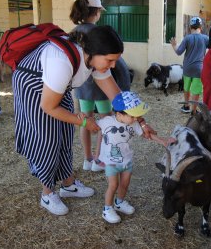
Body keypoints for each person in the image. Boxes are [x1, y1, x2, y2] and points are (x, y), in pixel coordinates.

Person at [12, 25, 153, 216]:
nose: (112, 66)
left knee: (65, 133)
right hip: (33, 87)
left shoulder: (93, 61)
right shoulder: (61, 62)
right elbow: (48, 106)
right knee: (48, 139)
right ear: (93, 53)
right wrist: (85, 122)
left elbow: (118, 99)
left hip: (57, 86)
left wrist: (141, 122)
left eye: (115, 61)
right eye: (110, 60)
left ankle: (68, 185)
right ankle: (47, 193)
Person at [70, 0, 131, 172]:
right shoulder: (99, 33)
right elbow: (117, 63)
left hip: (82, 87)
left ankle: (87, 159)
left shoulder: (73, 32)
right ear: (96, 12)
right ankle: (98, 159)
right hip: (100, 87)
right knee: (106, 121)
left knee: (85, 120)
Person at [97, 91, 173, 223]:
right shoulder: (106, 122)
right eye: (133, 116)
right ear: (120, 114)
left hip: (127, 160)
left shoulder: (133, 123)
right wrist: (97, 152)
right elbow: (94, 127)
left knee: (125, 184)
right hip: (111, 162)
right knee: (113, 185)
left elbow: (146, 134)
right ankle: (107, 209)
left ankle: (119, 202)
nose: (136, 119)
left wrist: (163, 141)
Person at [170, 17, 209, 115]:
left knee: (186, 88)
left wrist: (174, 45)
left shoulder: (187, 38)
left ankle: (186, 106)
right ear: (201, 27)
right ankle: (194, 110)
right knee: (196, 90)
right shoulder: (205, 38)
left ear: (190, 27)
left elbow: (179, 52)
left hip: (187, 68)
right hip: (199, 69)